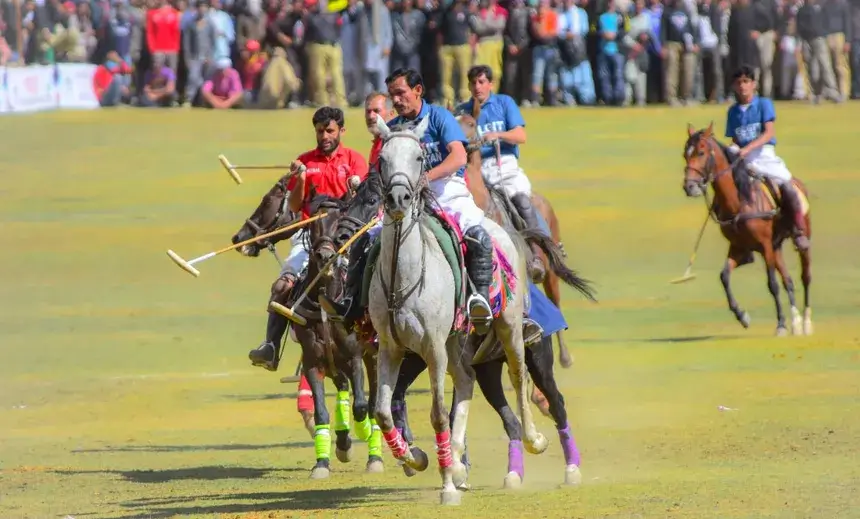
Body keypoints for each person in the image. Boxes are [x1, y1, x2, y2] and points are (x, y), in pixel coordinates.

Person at [322, 68, 496, 334]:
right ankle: (352, 303)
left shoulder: (439, 117)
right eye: (392, 96)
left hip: (446, 190)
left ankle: (478, 299)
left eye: (401, 93)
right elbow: (378, 170)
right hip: (403, 197)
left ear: (418, 90)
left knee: (478, 235)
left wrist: (425, 178)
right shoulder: (390, 129)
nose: (397, 100)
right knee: (367, 239)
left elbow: (459, 157)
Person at [248, 106, 369, 371]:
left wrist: (354, 189)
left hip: (346, 234)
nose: (324, 136)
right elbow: (293, 207)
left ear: (341, 131)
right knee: (282, 286)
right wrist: (300, 179)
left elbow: (365, 201)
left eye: (330, 130)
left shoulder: (354, 160)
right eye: (319, 131)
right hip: (310, 236)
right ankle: (270, 346)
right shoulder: (305, 161)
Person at [457, 65, 545, 281]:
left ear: (490, 84)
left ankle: (536, 254)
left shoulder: (504, 103)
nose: (478, 87)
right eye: (474, 83)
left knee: (521, 200)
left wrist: (499, 134)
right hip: (474, 168)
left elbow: (521, 135)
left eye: (482, 82)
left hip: (502, 165)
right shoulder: (462, 112)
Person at [725, 65, 809, 251]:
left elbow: (768, 132)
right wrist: (735, 148)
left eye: (746, 82)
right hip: (744, 158)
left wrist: (748, 148)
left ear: (754, 84)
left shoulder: (763, 104)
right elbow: (735, 138)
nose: (742, 86)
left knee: (787, 184)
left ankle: (799, 230)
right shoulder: (732, 112)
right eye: (738, 83)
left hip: (764, 154)